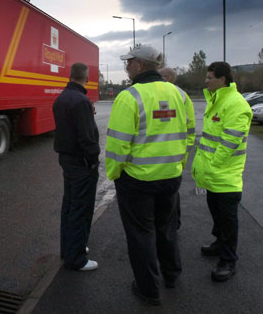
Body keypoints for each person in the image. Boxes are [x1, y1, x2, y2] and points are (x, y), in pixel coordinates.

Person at [106, 45, 193, 306]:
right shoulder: (179, 94)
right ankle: (171, 275)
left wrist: (114, 174)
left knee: (141, 234)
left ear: (140, 65)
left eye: (129, 62)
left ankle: (148, 289)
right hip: (171, 176)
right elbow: (189, 134)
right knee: (166, 227)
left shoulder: (129, 96)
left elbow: (118, 145)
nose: (127, 66)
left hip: (138, 181)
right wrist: (178, 164)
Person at [191, 62, 252, 282]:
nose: (206, 81)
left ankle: (228, 260)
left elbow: (230, 140)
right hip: (213, 174)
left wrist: (215, 164)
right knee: (217, 215)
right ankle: (219, 244)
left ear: (222, 79)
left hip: (225, 176)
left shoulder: (235, 103)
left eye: (209, 78)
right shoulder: (217, 99)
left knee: (228, 220)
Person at [52, 62, 100, 271]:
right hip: (82, 163)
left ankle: (69, 248)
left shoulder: (61, 98)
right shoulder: (82, 101)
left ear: (70, 76)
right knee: (81, 209)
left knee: (70, 206)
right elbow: (87, 138)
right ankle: (77, 258)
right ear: (86, 78)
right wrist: (93, 159)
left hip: (67, 159)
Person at [158, 67, 196, 230]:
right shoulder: (183, 96)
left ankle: (169, 225)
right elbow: (191, 128)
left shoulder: (162, 93)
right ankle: (174, 224)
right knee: (171, 196)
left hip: (158, 158)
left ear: (167, 77)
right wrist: (183, 157)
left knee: (163, 199)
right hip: (175, 157)